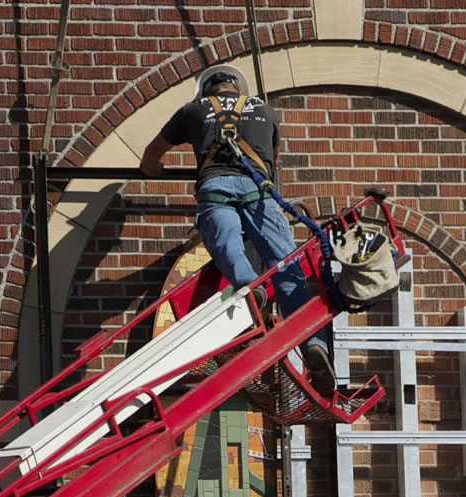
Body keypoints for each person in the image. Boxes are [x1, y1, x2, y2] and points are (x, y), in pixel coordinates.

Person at [140, 65, 335, 395]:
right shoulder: (266, 112)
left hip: (215, 189)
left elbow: (150, 156)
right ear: (238, 89)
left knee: (226, 245)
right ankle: (315, 345)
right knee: (287, 267)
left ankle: (248, 285)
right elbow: (272, 161)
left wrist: (153, 169)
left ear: (206, 90)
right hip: (260, 193)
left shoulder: (192, 110)